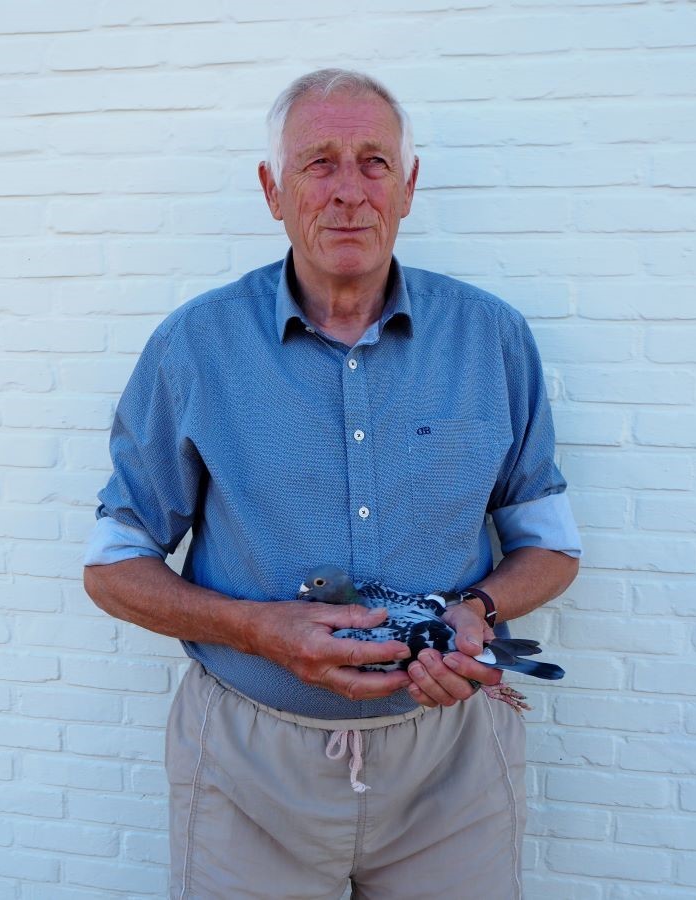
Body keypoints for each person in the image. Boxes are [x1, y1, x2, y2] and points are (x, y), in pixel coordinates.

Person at [83, 68, 581, 900]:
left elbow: (553, 549)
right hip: (247, 769)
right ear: (271, 190)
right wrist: (257, 631)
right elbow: (111, 568)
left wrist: (478, 613)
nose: (349, 190)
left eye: (374, 162)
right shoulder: (194, 346)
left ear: (409, 187)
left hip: (453, 765)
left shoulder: (491, 339)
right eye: (318, 163)